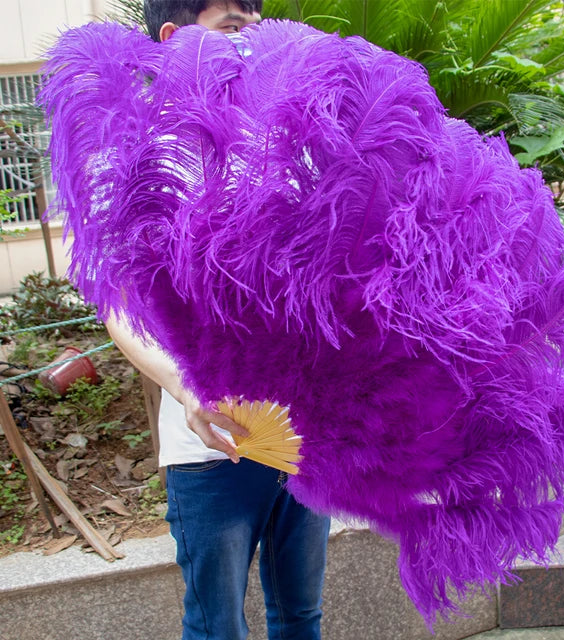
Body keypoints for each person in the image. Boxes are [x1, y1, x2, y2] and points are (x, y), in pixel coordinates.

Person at [106, 2, 331, 639]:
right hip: (208, 450)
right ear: (174, 38)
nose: (251, 40)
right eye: (233, 24)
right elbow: (118, 303)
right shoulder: (132, 157)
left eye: (256, 25)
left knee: (301, 618)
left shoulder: (283, 142)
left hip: (297, 438)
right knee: (217, 628)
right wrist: (188, 388)